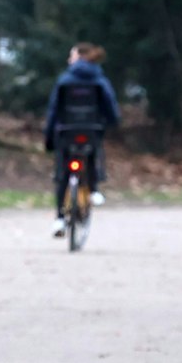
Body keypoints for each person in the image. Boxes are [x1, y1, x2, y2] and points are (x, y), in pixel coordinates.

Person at [43, 42, 120, 236]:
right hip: (91, 131)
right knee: (93, 152)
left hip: (66, 132)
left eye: (72, 55)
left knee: (63, 175)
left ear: (79, 58)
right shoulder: (100, 80)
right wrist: (111, 124)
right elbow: (110, 107)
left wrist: (49, 135)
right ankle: (94, 189)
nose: (69, 60)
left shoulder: (64, 80)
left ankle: (60, 219)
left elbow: (54, 110)